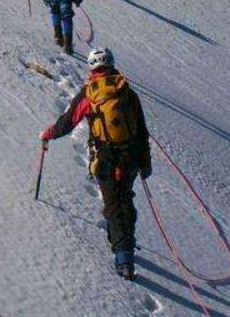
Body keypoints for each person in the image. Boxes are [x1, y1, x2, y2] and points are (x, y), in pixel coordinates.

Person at [39, 47, 151, 279]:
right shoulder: (127, 92)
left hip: (106, 159)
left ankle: (123, 258)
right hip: (130, 158)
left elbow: (68, 122)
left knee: (113, 206)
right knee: (124, 199)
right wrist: (145, 162)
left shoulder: (90, 94)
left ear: (92, 68)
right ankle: (122, 240)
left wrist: (48, 134)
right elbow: (141, 130)